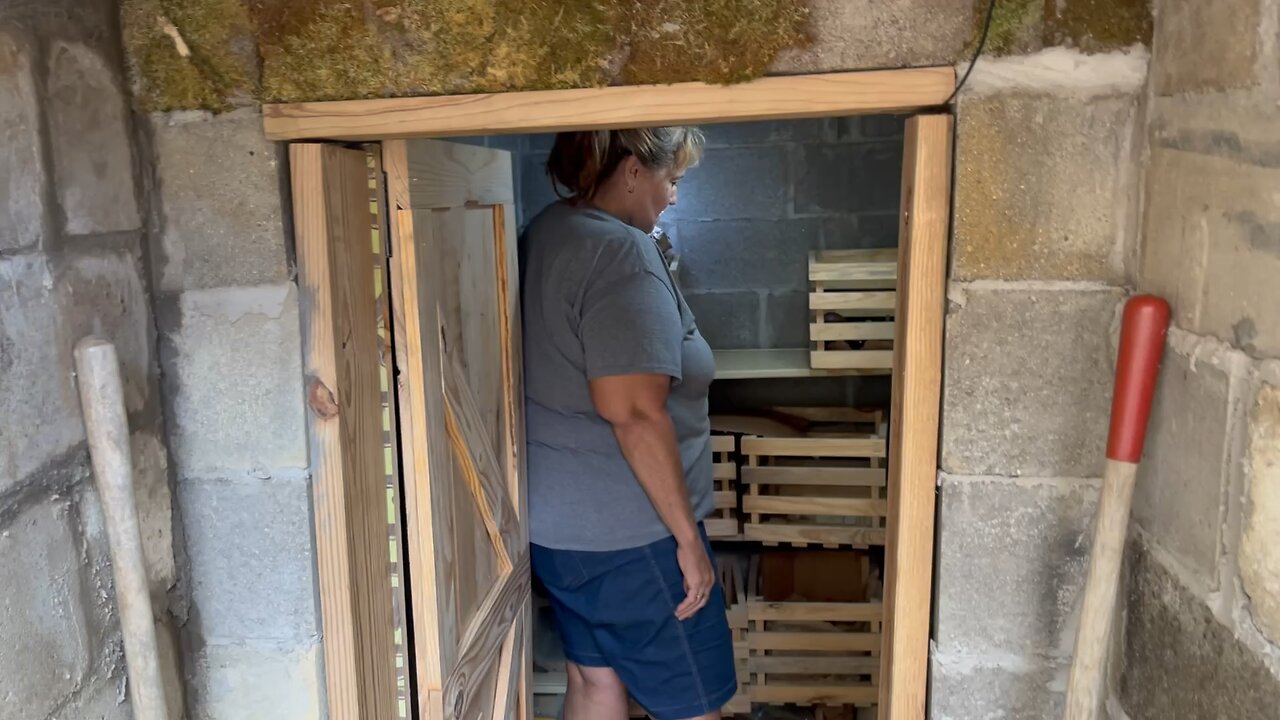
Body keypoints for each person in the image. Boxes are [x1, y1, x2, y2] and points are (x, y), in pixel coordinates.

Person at [519, 127, 735, 720]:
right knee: (693, 704)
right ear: (634, 170)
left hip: (563, 534)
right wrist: (687, 543)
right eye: (672, 180)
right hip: (634, 538)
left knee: (594, 682)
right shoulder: (619, 254)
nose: (671, 197)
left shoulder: (549, 229)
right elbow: (633, 411)